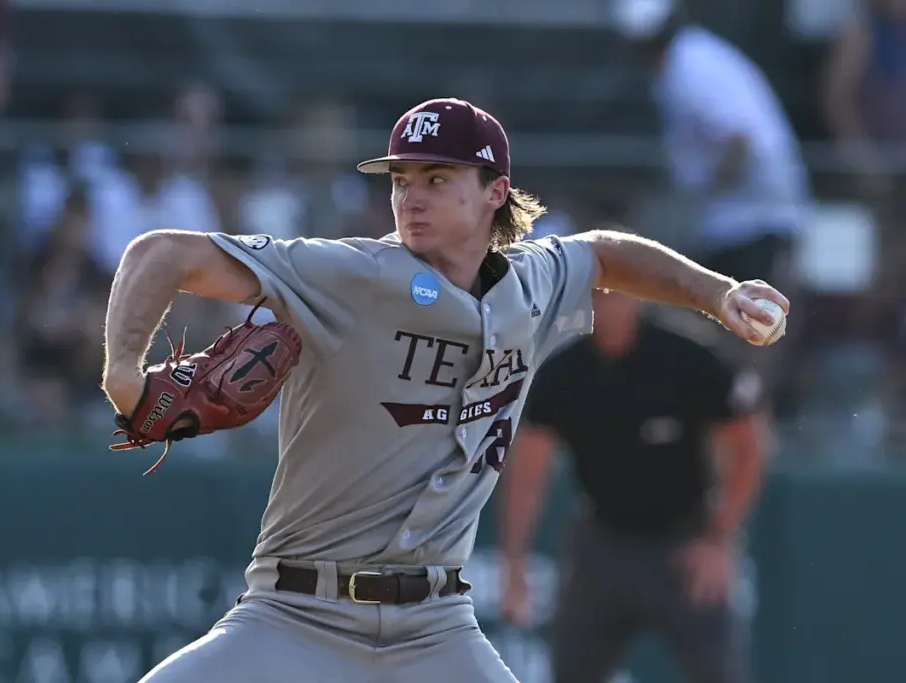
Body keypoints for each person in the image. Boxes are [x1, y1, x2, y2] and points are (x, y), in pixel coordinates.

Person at [100, 96, 788, 683]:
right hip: (297, 613)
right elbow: (161, 252)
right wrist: (123, 373)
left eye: (436, 177)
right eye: (401, 179)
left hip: (435, 627)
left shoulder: (531, 285)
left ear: (495, 191)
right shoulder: (351, 275)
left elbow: (604, 253)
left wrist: (718, 294)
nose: (411, 196)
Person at [499, 288, 772, 683]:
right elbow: (527, 472)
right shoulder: (562, 372)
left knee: (720, 673)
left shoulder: (686, 355)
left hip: (684, 543)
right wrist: (515, 563)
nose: (603, 303)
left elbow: (749, 444)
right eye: (594, 294)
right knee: (571, 674)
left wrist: (720, 539)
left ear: (637, 295)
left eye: (614, 293)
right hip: (602, 541)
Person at [611, 0, 808, 416]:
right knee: (708, 315)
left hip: (755, 218)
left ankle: (747, 417)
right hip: (727, 221)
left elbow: (741, 143)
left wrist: (698, 195)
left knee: (754, 321)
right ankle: (720, 413)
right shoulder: (680, 63)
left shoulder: (693, 67)